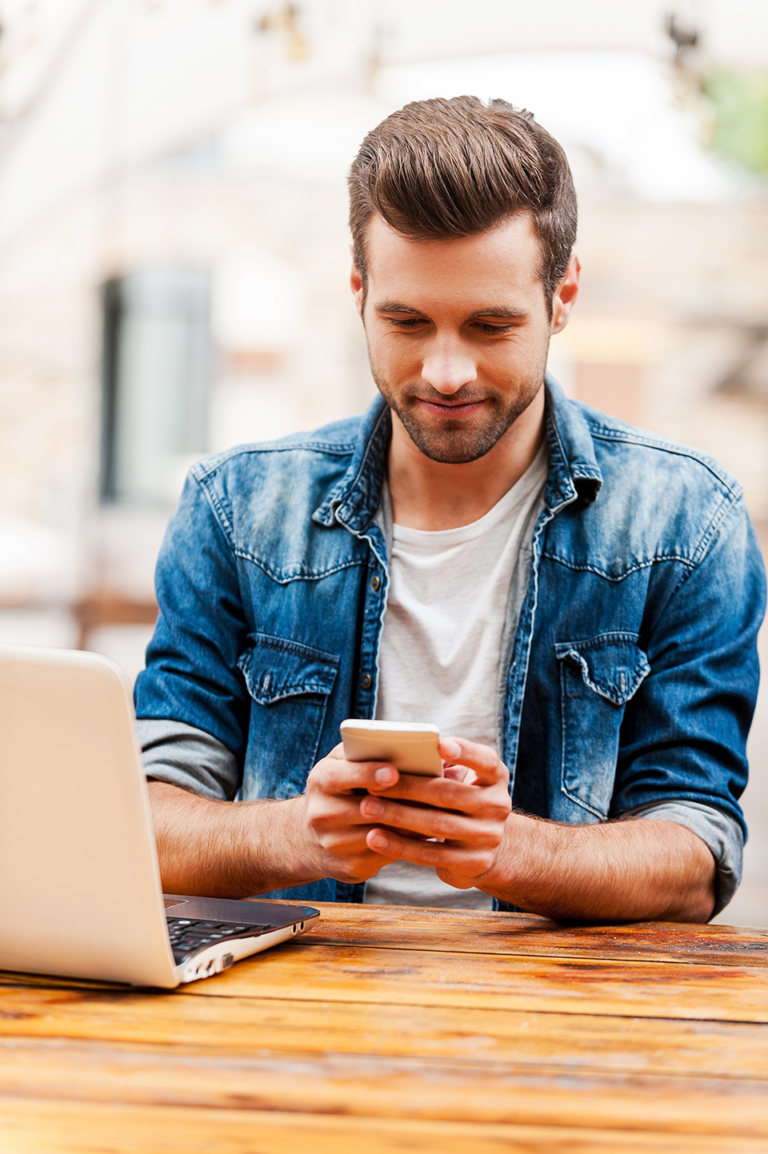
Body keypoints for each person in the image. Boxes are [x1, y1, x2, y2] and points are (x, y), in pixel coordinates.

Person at [136, 96, 765, 923]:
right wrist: (303, 836)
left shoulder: (687, 522)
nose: (444, 371)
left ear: (563, 295)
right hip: (288, 1015)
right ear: (358, 291)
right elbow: (143, 827)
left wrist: (507, 850)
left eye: (490, 325)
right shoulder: (235, 509)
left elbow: (694, 858)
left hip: (561, 1020)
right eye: (406, 320)